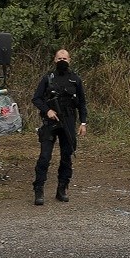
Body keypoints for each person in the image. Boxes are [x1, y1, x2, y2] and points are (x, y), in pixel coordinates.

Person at [31, 49, 88, 205]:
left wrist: (83, 123)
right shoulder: (47, 79)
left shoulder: (75, 79)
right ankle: (39, 190)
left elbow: (82, 103)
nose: (62, 60)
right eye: (59, 58)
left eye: (65, 58)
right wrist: (47, 110)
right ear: (54, 60)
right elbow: (36, 99)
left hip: (68, 121)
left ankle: (62, 189)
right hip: (50, 122)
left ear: (70, 60)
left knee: (66, 158)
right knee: (44, 157)